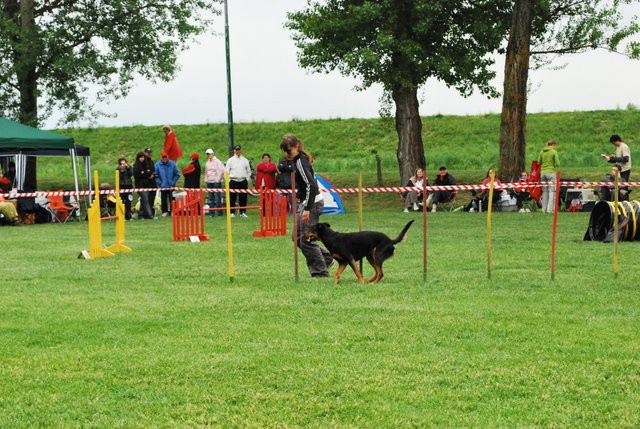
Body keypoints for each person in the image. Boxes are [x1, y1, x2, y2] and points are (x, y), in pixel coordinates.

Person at [280, 134, 333, 278]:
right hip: (307, 202)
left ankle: (320, 272)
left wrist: (307, 209)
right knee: (296, 237)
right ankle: (326, 259)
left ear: (296, 147)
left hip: (312, 203)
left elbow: (311, 185)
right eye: (284, 151)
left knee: (306, 239)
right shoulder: (297, 160)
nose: (286, 154)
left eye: (288, 150)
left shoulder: (301, 162)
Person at [225, 145, 252, 218]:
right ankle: (232, 212)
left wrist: (247, 179)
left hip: (243, 180)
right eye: (236, 150)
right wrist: (229, 180)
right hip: (233, 180)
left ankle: (242, 212)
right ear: (234, 151)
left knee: (243, 197)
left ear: (241, 150)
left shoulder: (245, 160)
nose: (238, 151)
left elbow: (248, 171)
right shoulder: (230, 160)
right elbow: (226, 171)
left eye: (239, 150)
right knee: (232, 197)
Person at [133, 150, 157, 220]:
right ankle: (150, 215)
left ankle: (141, 215)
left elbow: (148, 173)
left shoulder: (146, 164)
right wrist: (145, 173)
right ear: (138, 158)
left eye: (142, 157)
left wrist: (144, 173)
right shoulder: (136, 165)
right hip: (139, 186)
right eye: (140, 157)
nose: (142, 158)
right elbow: (137, 175)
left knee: (144, 200)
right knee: (145, 200)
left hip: (146, 185)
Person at [538, 139, 560, 213]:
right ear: (553, 145)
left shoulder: (542, 151)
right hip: (551, 172)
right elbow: (558, 163)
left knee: (544, 192)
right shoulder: (554, 152)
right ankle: (549, 209)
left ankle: (543, 209)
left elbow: (539, 162)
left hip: (543, 173)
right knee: (551, 192)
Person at [155, 151, 180, 216]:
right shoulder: (157, 165)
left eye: (165, 157)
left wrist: (173, 182)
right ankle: (164, 212)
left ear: (167, 157)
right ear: (161, 158)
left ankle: (173, 211)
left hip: (171, 186)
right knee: (163, 199)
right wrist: (160, 183)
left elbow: (177, 174)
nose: (164, 159)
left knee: (172, 199)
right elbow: (155, 175)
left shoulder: (172, 164)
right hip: (163, 186)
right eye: (163, 157)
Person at [204, 148, 225, 217]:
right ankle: (211, 213)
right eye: (207, 154)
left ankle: (219, 213)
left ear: (212, 154)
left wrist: (217, 180)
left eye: (209, 154)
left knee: (218, 198)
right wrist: (206, 180)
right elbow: (206, 172)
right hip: (209, 182)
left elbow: (221, 171)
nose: (208, 155)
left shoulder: (217, 161)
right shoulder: (207, 162)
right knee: (211, 198)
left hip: (216, 182)